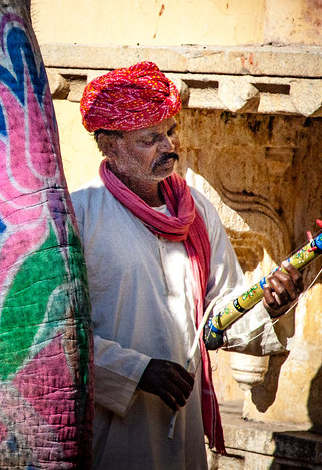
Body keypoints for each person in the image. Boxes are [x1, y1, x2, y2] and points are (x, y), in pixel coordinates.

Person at [71, 61, 304, 469]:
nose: (168, 146)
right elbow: (58, 336)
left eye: (171, 131)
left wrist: (269, 305)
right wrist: (137, 372)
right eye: (150, 139)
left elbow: (220, 310)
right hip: (114, 433)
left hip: (184, 427)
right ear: (110, 145)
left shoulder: (196, 211)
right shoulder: (78, 216)